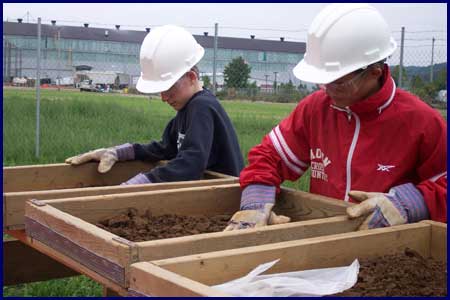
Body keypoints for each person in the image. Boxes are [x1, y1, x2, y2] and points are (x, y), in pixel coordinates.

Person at [225, 3, 447, 231]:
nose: (326, 88)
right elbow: (270, 155)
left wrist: (409, 202)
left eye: (338, 82)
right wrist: (256, 200)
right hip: (324, 239)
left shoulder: (420, 121)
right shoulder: (316, 109)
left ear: (373, 73)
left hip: (390, 249)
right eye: (322, 79)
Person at [66, 25, 244, 184]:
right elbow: (165, 148)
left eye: (168, 89)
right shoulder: (187, 108)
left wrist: (144, 181)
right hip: (207, 192)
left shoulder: (202, 107)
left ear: (191, 78)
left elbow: (191, 163)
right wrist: (118, 152)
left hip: (225, 195)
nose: (164, 98)